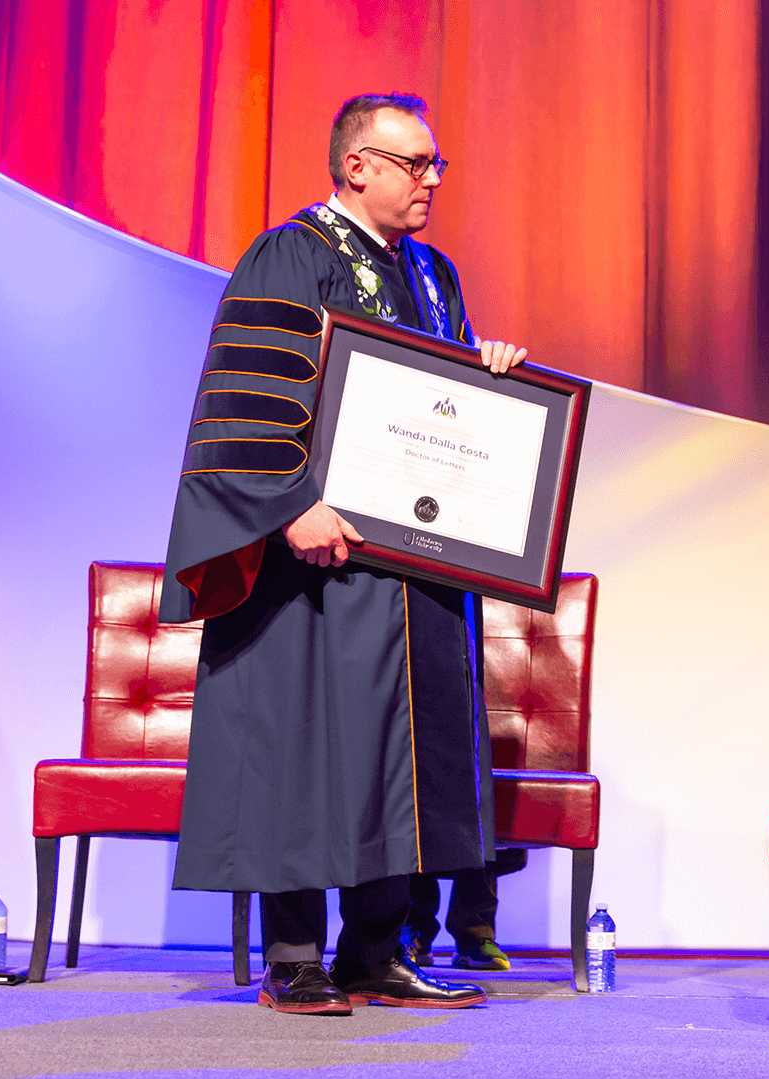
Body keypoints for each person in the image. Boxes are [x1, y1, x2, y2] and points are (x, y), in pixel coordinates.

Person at [159, 94, 527, 1017]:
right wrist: (291, 506)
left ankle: (376, 951)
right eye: (419, 163)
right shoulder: (294, 254)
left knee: (397, 757)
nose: (435, 180)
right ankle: (295, 957)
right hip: (314, 563)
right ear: (359, 165)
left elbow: (430, 409)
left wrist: (484, 374)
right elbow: (247, 402)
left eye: (438, 165)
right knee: (305, 745)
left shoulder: (433, 273)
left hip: (412, 564)